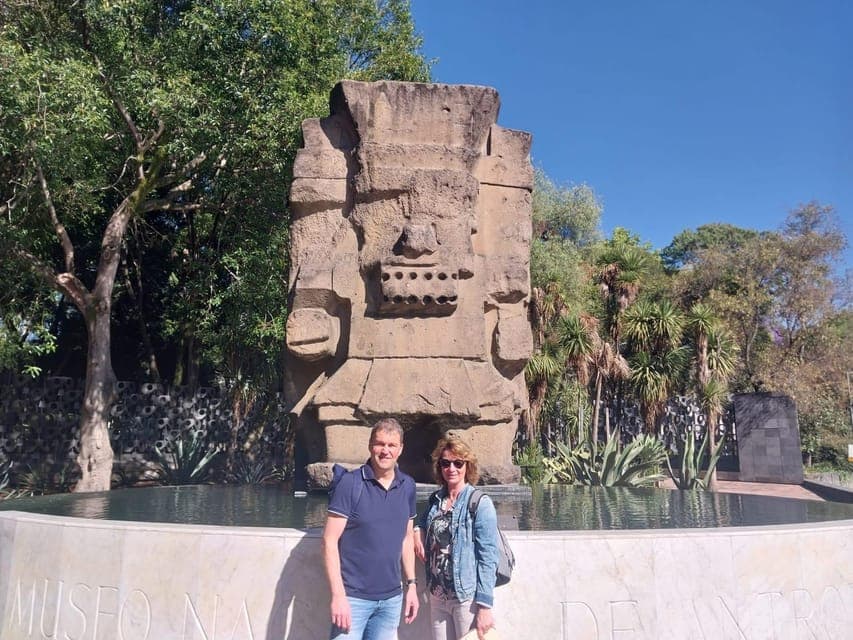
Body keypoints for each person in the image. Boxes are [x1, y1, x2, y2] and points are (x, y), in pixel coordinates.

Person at [322, 418, 419, 639]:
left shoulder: (408, 486)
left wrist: (412, 584)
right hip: (353, 599)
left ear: (400, 449)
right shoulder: (350, 484)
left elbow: (406, 538)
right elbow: (329, 541)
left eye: (391, 445)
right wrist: (338, 596)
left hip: (391, 601)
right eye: (380, 444)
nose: (385, 451)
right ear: (370, 446)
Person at [415, 436, 499, 640]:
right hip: (437, 596)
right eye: (445, 463)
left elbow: (488, 557)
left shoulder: (479, 503)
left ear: (467, 466)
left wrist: (484, 606)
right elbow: (423, 520)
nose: (451, 468)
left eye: (458, 463)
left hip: (465, 598)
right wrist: (417, 530)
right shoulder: (436, 500)